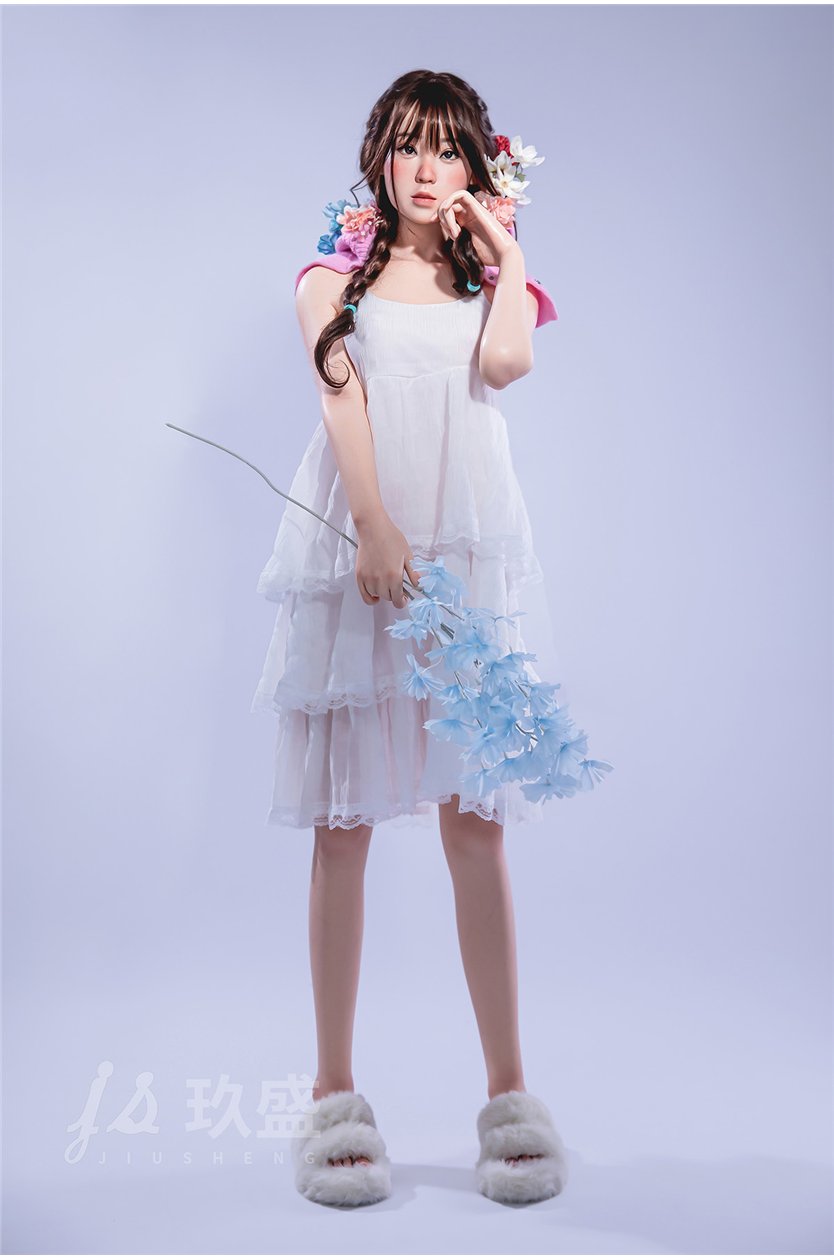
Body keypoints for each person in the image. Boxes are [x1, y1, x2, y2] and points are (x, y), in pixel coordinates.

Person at [253, 70, 571, 1207]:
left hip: (464, 560)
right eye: (408, 147)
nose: (427, 170)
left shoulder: (489, 287)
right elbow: (341, 397)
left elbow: (505, 367)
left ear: (479, 169)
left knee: (476, 826)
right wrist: (374, 526)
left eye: (449, 151)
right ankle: (333, 1094)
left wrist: (509, 256)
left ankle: (510, 1094)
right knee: (343, 828)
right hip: (367, 550)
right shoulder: (329, 281)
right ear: (378, 158)